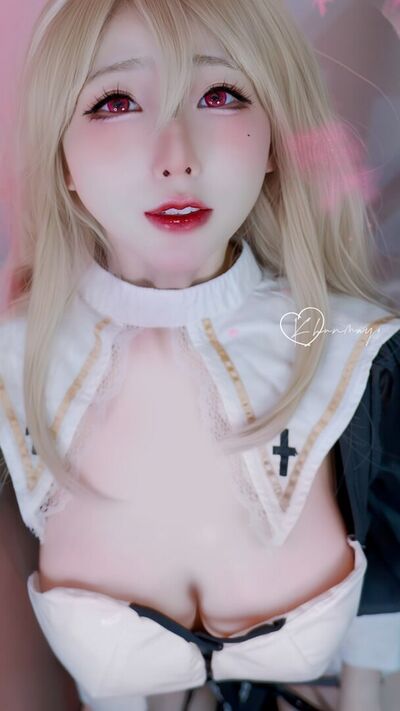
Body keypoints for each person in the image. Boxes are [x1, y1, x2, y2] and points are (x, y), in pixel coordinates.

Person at [0, 0, 399, 709]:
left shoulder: (345, 344)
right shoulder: (16, 365)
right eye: (115, 102)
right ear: (60, 158)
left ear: (273, 138)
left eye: (219, 94)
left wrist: (369, 690)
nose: (176, 157)